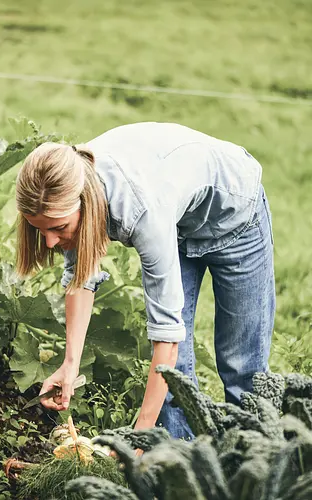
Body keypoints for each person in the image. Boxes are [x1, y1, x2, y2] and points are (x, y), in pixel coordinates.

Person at [15, 121, 275, 440]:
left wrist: (141, 432)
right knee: (175, 373)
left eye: (58, 228)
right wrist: (70, 365)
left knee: (241, 365)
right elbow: (81, 279)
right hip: (177, 222)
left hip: (236, 217)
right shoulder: (70, 183)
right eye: (41, 230)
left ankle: (254, 458)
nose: (50, 242)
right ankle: (178, 458)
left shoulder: (140, 211)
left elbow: (167, 337)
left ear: (85, 203)